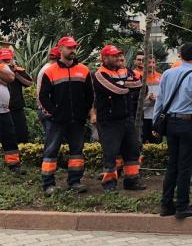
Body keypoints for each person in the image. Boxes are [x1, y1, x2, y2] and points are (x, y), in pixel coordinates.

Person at [153, 43, 192, 219]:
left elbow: (160, 100)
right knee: (185, 166)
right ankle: (182, 205)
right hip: (189, 123)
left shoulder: (167, 74)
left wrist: (157, 123)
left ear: (179, 55)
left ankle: (166, 204)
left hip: (170, 122)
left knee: (173, 164)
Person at [39, 36, 93, 196]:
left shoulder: (84, 70)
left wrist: (84, 112)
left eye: (74, 47)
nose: (73, 50)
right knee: (50, 152)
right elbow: (43, 96)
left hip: (77, 120)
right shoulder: (49, 71)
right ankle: (48, 184)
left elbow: (90, 95)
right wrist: (54, 112)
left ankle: (75, 182)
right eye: (69, 48)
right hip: (56, 121)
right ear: (60, 49)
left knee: (77, 152)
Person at [93, 45, 145, 192]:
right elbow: (116, 90)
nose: (118, 58)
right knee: (111, 153)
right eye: (114, 55)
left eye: (119, 55)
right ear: (104, 58)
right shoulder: (100, 74)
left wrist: (123, 84)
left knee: (132, 150)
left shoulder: (125, 70)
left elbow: (138, 83)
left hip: (126, 119)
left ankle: (132, 181)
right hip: (109, 121)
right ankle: (109, 184)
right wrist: (125, 84)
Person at [1, 49, 33, 144]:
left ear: (12, 59)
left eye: (8, 59)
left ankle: (23, 154)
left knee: (21, 134)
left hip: (17, 108)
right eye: (4, 60)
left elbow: (30, 83)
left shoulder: (18, 70)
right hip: (2, 110)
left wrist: (16, 74)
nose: (7, 62)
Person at [0, 53, 21, 175]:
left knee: (9, 137)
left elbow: (10, 77)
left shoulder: (2, 66)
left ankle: (13, 165)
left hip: (4, 110)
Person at [142, 57, 162, 144]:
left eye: (153, 62)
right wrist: (148, 99)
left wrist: (157, 99)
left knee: (157, 143)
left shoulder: (161, 77)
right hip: (144, 117)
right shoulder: (139, 78)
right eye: (149, 62)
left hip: (157, 116)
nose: (151, 65)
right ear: (143, 64)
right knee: (142, 143)